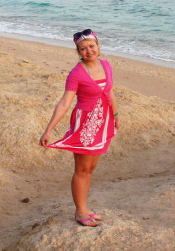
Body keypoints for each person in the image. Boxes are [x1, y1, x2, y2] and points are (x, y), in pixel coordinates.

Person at [40, 29, 120, 227]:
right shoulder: (76, 73)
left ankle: (84, 208)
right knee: (82, 170)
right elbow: (65, 103)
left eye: (91, 46)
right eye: (83, 49)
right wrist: (48, 129)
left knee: (90, 169)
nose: (89, 51)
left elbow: (110, 92)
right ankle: (80, 211)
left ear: (98, 46)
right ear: (78, 52)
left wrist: (116, 115)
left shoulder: (106, 65)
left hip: (103, 122)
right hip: (85, 125)